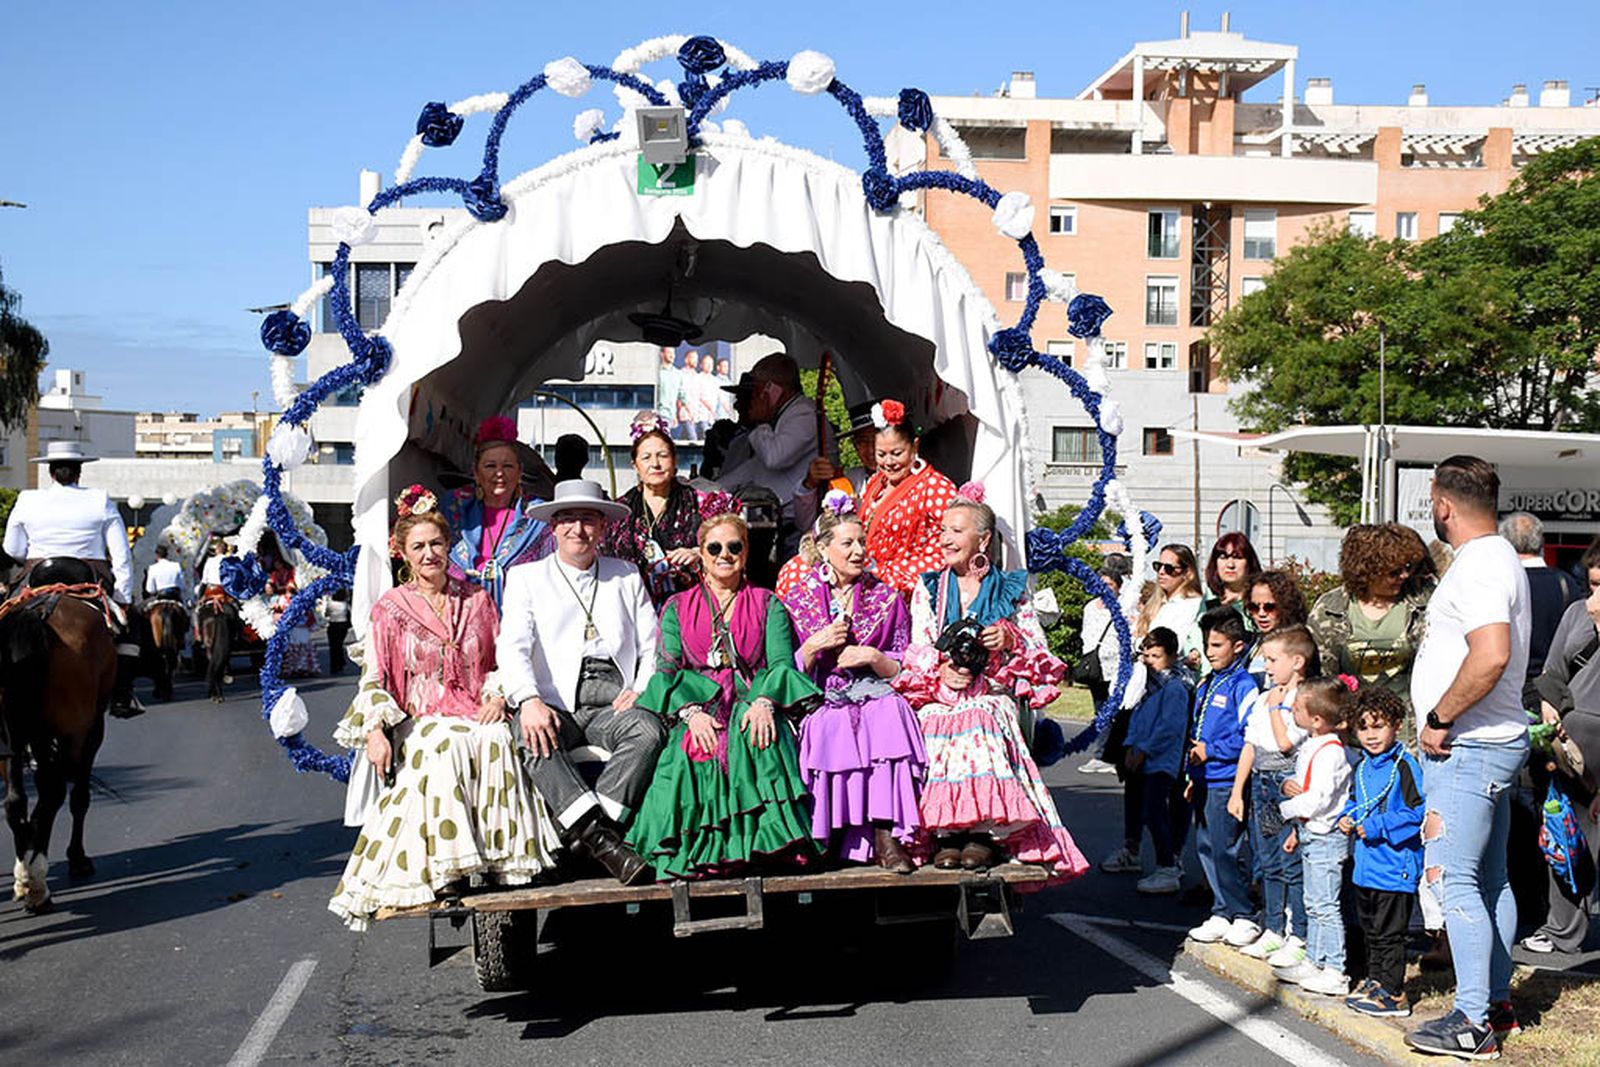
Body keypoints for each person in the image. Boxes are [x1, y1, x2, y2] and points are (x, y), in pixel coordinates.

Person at [328, 496, 560, 930]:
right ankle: (448, 869)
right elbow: (374, 677)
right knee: (447, 742)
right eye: (418, 547)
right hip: (421, 717)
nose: (429, 554)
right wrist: (375, 730)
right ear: (403, 553)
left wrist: (497, 696)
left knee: (498, 737)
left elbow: (501, 661)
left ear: (449, 546)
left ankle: (505, 862)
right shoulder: (391, 608)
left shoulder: (477, 600)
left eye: (436, 543)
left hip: (475, 708)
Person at [1404, 456, 1531, 1060]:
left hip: (1469, 746)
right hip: (1491, 742)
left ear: (1443, 504)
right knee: (1490, 880)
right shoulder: (1499, 556)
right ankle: (1495, 1003)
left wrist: (1439, 717)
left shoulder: (1480, 564)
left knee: (1456, 882)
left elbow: (1491, 654)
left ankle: (1473, 1022)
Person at [895, 488, 1088, 878]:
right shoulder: (929, 588)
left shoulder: (1011, 588)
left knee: (982, 715)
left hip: (991, 690)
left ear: (983, 540)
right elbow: (918, 647)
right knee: (931, 719)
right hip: (942, 691)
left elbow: (1039, 649)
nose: (945, 539)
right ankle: (946, 832)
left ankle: (983, 831)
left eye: (956, 531)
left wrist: (1010, 639)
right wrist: (941, 671)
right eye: (943, 530)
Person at [626, 508, 823, 879]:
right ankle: (703, 851)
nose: (725, 555)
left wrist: (764, 702)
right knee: (693, 750)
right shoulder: (676, 607)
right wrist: (690, 713)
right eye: (714, 548)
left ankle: (761, 848)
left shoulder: (768, 602)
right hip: (700, 704)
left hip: (753, 698)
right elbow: (667, 670)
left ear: (746, 552)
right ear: (701, 553)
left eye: (734, 546)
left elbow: (781, 663)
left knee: (758, 738)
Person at [499, 479, 665, 886]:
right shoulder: (525, 577)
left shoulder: (626, 575)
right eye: (568, 520)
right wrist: (529, 700)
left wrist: (641, 688)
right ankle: (602, 840)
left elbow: (652, 645)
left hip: (614, 701)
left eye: (588, 519)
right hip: (556, 702)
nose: (578, 529)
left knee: (649, 731)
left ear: (602, 526)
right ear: (553, 527)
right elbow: (512, 647)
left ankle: (583, 838)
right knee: (528, 734)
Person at [784, 492, 926, 872]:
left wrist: (873, 657)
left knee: (890, 713)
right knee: (827, 724)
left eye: (862, 541)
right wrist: (813, 646)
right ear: (823, 548)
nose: (859, 550)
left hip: (875, 691)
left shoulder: (886, 596)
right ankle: (827, 835)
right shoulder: (797, 599)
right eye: (848, 543)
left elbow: (903, 664)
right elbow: (783, 669)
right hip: (820, 695)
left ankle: (885, 835)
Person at [3, 440, 141, 717]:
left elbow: (12, 549)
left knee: (5, 621)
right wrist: (123, 597)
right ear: (79, 472)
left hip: (36, 577)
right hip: (88, 578)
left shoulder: (27, 499)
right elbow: (121, 555)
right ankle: (123, 694)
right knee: (132, 627)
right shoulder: (100, 499)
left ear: (50, 472)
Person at [1522, 540, 1600, 957]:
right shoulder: (1575, 614)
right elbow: (1552, 674)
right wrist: (1551, 715)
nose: (1594, 599)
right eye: (1592, 585)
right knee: (1567, 832)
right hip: (1571, 743)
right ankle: (1563, 929)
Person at [1341, 686, 1427, 1018]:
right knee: (1372, 931)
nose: (1371, 735)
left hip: (1394, 866)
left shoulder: (1404, 766)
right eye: (1363, 728)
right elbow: (1355, 801)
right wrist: (1346, 817)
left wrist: (1376, 826)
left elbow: (1416, 813)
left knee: (1390, 934)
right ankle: (1376, 981)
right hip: (1366, 866)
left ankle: (1393, 992)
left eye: (1379, 726)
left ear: (1396, 725)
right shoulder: (1363, 767)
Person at [1231, 626, 1314, 964]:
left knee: (1291, 862)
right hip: (1261, 784)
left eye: (1272, 660)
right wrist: (1237, 792)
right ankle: (1274, 928)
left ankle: (1299, 934)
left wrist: (1278, 709)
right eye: (1265, 659)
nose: (1266, 666)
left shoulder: (1302, 700)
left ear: (1297, 661)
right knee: (1268, 861)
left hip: (1286, 783)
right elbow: (1251, 745)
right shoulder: (1264, 698)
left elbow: (1286, 744)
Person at [1308, 524, 1434, 740]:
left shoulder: (1424, 602)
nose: (1404, 575)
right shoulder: (1330, 608)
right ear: (1367, 571)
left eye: (1407, 567)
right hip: (1351, 736)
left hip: (1410, 735)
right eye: (1394, 572)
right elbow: (1319, 680)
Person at [1273, 676, 1355, 998]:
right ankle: (1314, 960)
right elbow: (1301, 785)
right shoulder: (1313, 744)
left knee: (1325, 905)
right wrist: (1296, 823)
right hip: (1310, 832)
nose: (1291, 712)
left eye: (1296, 709)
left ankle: (1335, 970)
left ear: (1318, 720)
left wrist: (1284, 810)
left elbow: (1318, 798)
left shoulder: (1331, 753)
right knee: (1313, 902)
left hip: (1325, 836)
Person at [1184, 608, 1261, 947]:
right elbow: (1198, 730)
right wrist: (1192, 774)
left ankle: (1244, 913)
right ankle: (1221, 911)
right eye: (1207, 645)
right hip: (1204, 778)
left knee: (1226, 849)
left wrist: (1211, 751)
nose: (1210, 651)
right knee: (1206, 847)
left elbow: (1249, 736)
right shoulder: (1208, 682)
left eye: (1217, 645)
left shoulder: (1243, 685)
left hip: (1226, 779)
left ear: (1238, 646)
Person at [437, 416, 554, 610]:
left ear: (519, 472)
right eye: (490, 466)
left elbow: (550, 578)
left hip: (520, 617)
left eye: (507, 466)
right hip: (457, 616)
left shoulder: (537, 516)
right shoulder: (452, 508)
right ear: (476, 472)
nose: (499, 473)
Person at [716, 352, 833, 537]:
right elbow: (756, 467)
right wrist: (716, 488)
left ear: (774, 389)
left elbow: (774, 458)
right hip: (774, 514)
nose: (754, 397)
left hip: (796, 521)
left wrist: (761, 422)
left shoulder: (804, 414)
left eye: (758, 390)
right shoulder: (785, 415)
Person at [601, 413, 708, 607]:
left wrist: (698, 553)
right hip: (632, 606)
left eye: (663, 456)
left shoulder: (700, 502)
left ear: (674, 461)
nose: (655, 464)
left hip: (689, 607)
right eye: (646, 457)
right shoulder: (620, 511)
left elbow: (729, 543)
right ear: (635, 465)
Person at [855, 400, 959, 596]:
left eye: (897, 453)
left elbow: (959, 538)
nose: (889, 462)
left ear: (915, 447)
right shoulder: (876, 482)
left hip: (913, 582)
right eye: (881, 454)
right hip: (872, 572)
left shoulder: (935, 487)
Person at [1119, 627, 1195, 895]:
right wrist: (1131, 744)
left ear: (1172, 657)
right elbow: (1136, 716)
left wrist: (1145, 749)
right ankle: (1150, 858)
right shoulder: (1145, 684)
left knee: (1155, 811)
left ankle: (1168, 865)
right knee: (1142, 808)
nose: (1150, 661)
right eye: (1147, 655)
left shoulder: (1174, 687)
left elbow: (1169, 728)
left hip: (1163, 760)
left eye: (1157, 656)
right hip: (1142, 755)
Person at [1501, 511, 1584, 705]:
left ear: (1505, 544)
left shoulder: (1501, 583)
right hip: (1552, 691)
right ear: (1541, 541)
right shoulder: (1566, 583)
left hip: (1506, 688)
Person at [1138, 544, 1206, 668]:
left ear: (1187, 572)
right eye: (1158, 566)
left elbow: (1176, 647)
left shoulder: (1193, 605)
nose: (1161, 572)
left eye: (1169, 568)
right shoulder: (1156, 602)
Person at [1244, 569, 1309, 680]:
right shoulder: (1252, 644)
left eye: (1269, 607)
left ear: (1285, 606)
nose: (1261, 613)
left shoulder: (1296, 644)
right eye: (1254, 607)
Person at [1204, 532, 1262, 613]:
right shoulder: (1206, 599)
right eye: (1223, 557)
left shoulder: (1261, 602)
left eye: (1237, 557)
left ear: (1249, 563)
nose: (1230, 565)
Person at [323, 586, 352, 674]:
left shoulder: (330, 603)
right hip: (343, 625)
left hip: (333, 624)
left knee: (333, 646)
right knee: (339, 644)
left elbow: (326, 613)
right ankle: (341, 662)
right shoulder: (345, 604)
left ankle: (334, 665)